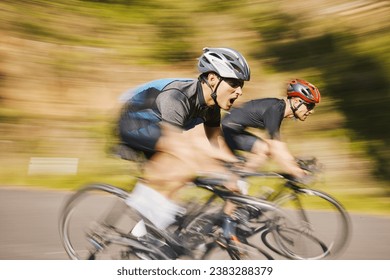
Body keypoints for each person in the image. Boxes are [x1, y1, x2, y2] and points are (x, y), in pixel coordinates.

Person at [116, 47, 251, 235]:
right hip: (135, 124)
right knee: (183, 164)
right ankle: (142, 228)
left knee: (181, 178)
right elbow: (177, 146)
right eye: (234, 83)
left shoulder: (211, 107)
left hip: (158, 130)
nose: (239, 92)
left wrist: (236, 164)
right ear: (212, 79)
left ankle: (147, 229)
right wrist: (222, 173)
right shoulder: (177, 96)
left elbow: (215, 141)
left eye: (241, 86)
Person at [221, 78, 321, 179]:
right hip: (228, 129)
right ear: (296, 102)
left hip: (233, 128)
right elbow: (275, 147)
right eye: (309, 106)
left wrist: (293, 164)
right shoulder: (275, 109)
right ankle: (236, 182)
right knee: (264, 149)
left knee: (262, 151)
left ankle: (237, 181)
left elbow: (278, 143)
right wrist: (296, 171)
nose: (311, 111)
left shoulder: (278, 109)